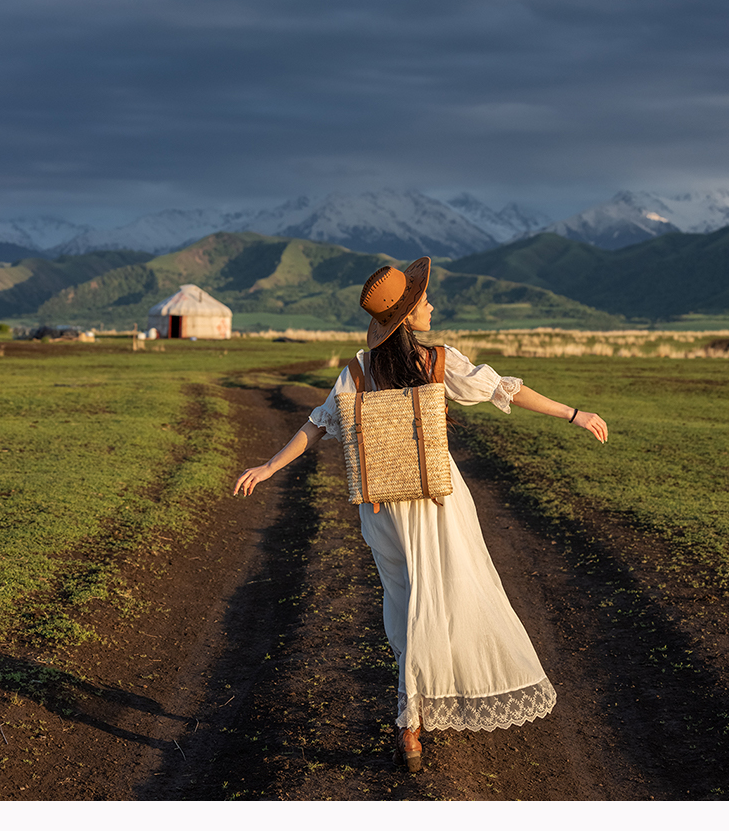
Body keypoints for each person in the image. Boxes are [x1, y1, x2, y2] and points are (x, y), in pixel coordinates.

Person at [234, 257, 608, 772]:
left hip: (383, 504)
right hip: (437, 497)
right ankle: (422, 706)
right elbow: (504, 390)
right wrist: (574, 413)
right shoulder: (438, 361)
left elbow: (318, 424)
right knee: (451, 593)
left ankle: (411, 720)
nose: (430, 303)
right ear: (407, 317)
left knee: (406, 604)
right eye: (422, 300)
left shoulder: (357, 373)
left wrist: (271, 465)